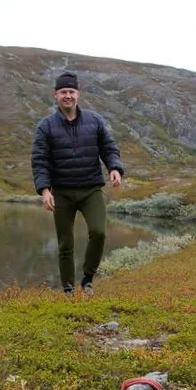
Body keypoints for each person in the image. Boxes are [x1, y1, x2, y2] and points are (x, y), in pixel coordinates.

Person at [31, 71, 124, 296]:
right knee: (65, 243)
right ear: (55, 95)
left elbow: (109, 148)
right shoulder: (46, 126)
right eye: (63, 92)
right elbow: (39, 161)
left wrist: (114, 168)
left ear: (78, 94)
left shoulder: (95, 120)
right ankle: (68, 289)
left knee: (99, 232)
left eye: (71, 92)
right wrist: (45, 190)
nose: (68, 96)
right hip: (61, 192)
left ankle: (88, 279)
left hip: (91, 188)